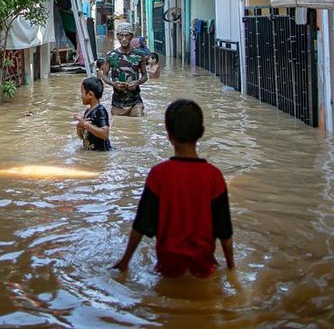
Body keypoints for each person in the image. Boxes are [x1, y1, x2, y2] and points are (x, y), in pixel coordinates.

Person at [112, 99, 234, 277]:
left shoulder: (159, 174)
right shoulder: (213, 176)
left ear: (169, 135)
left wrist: (125, 261)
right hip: (203, 266)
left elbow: (141, 224)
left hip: (168, 266)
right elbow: (224, 229)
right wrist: (231, 269)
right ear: (201, 132)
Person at [99, 22, 148, 116]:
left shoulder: (139, 55)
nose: (124, 39)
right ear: (117, 36)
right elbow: (103, 75)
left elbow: (145, 76)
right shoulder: (111, 55)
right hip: (118, 102)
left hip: (135, 101)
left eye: (127, 35)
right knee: (118, 124)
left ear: (132, 36)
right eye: (121, 35)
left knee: (138, 118)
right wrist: (113, 84)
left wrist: (137, 82)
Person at [75, 76, 111, 151]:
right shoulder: (88, 111)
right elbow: (82, 137)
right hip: (91, 151)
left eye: (82, 92)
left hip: (101, 153)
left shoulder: (101, 110)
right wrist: (79, 127)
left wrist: (85, 124)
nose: (81, 96)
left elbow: (105, 134)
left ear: (90, 95)